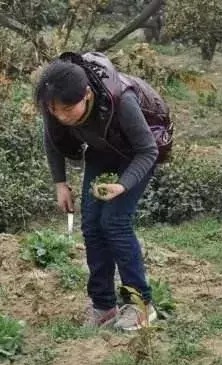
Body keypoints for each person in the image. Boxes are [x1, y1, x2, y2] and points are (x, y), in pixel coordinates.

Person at [34, 51, 173, 331]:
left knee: (115, 222)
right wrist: (60, 183)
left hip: (137, 153)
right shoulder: (54, 101)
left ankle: (140, 305)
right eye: (55, 111)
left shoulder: (123, 101)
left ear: (86, 94)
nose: (61, 116)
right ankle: (104, 306)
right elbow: (52, 140)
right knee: (92, 226)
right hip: (102, 151)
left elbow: (148, 150)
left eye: (67, 110)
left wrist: (122, 185)